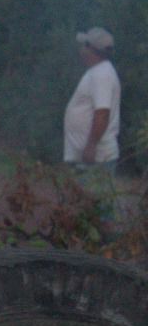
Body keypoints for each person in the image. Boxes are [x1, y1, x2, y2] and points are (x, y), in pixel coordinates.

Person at [63, 26, 120, 215]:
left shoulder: (102, 75)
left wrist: (91, 146)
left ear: (91, 49)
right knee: (86, 208)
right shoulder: (97, 72)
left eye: (83, 46)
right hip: (89, 157)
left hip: (96, 158)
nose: (80, 50)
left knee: (98, 211)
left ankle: (105, 244)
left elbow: (102, 113)